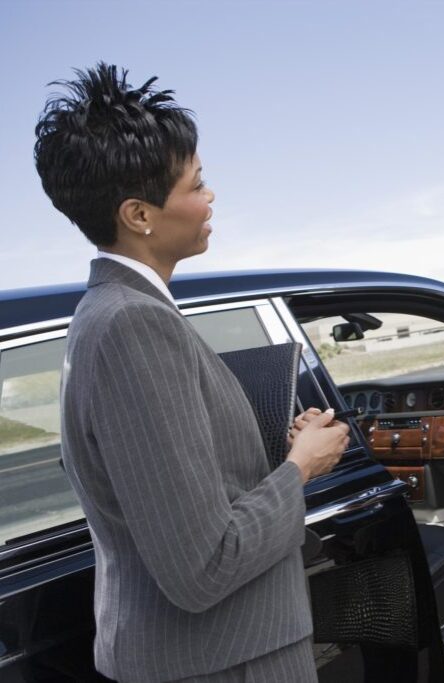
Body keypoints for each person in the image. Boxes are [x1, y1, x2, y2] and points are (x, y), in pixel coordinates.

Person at [36, 63, 349, 682]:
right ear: (139, 214)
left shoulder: (110, 313)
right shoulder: (133, 326)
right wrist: (301, 466)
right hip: (223, 663)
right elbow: (204, 565)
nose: (210, 198)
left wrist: (276, 448)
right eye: (196, 184)